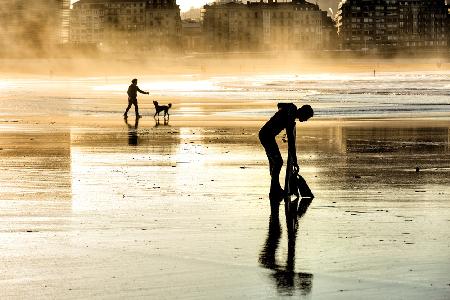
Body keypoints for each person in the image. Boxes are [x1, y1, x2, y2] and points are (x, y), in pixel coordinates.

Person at [259, 103, 314, 202]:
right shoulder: (291, 117)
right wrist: (295, 161)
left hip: (267, 136)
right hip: (266, 136)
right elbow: (291, 142)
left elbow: (279, 105)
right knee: (278, 162)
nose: (306, 120)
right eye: (306, 117)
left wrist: (283, 111)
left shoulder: (291, 111)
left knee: (274, 163)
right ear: (303, 112)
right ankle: (274, 191)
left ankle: (275, 189)